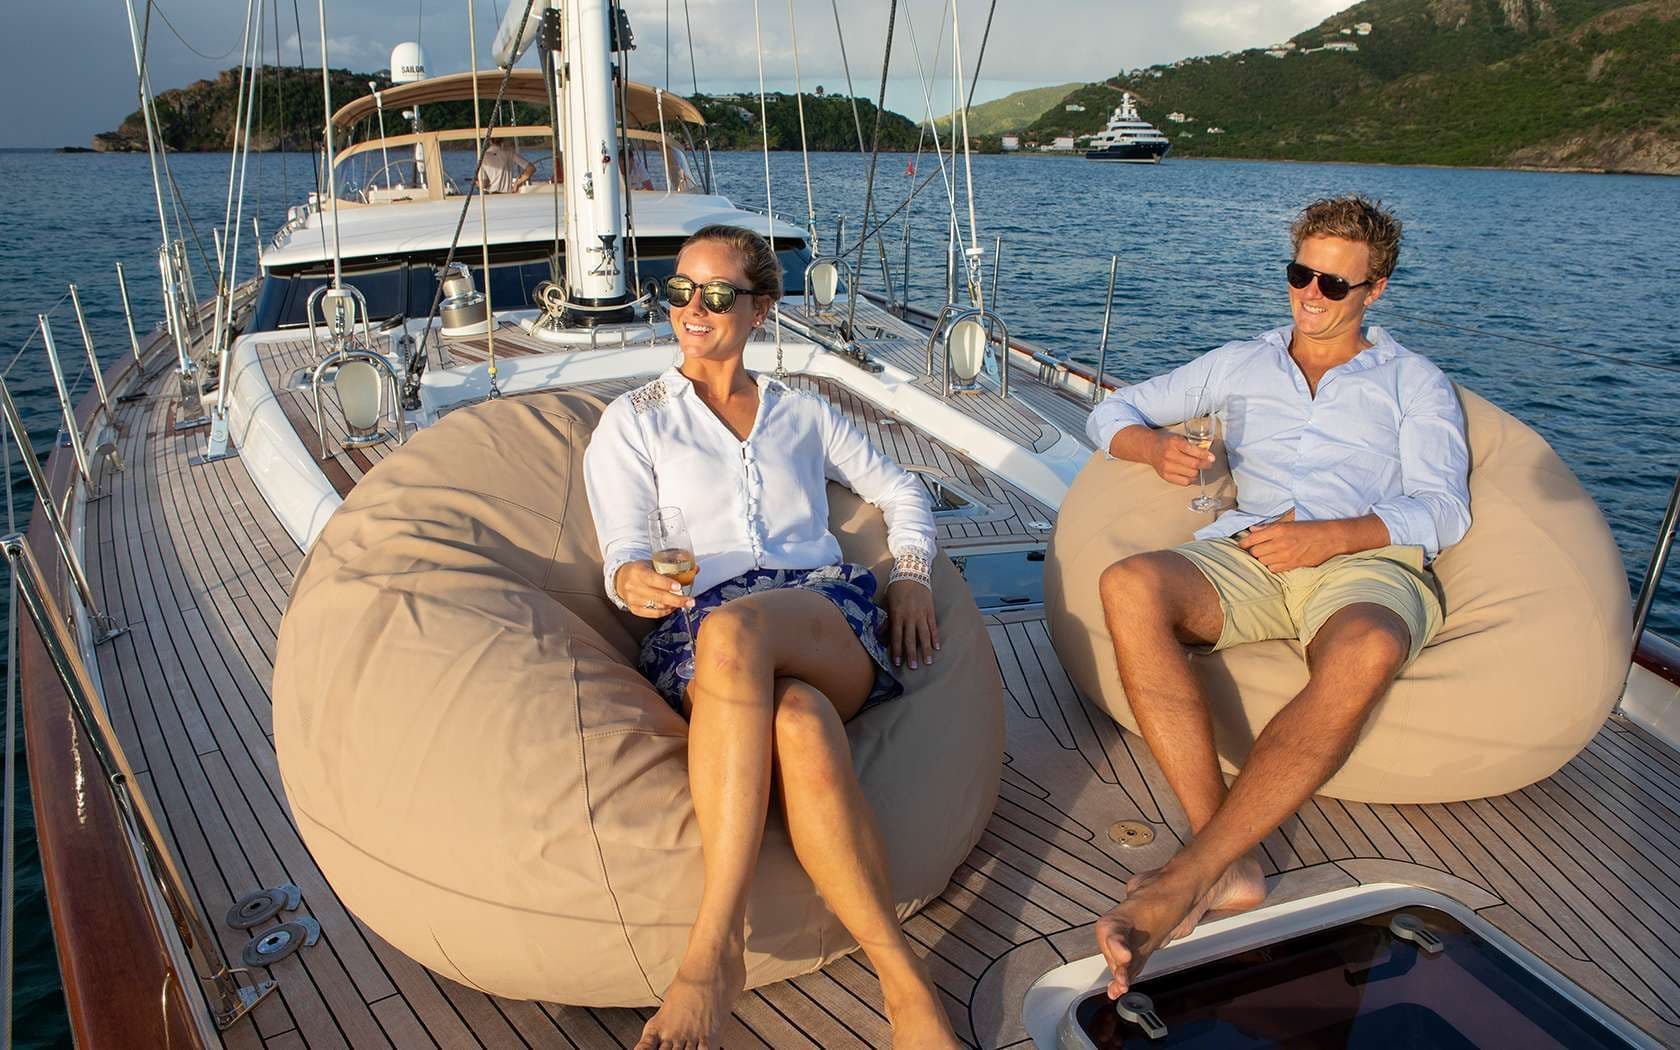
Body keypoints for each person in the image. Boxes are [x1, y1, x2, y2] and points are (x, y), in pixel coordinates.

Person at [583, 225, 960, 1050]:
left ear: (760, 309)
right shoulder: (634, 422)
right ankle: (905, 984)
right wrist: (631, 581)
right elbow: (622, 552)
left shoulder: (803, 413)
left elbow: (903, 492)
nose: (693, 308)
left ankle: (712, 949)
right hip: (701, 637)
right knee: (797, 723)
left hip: (821, 618)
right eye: (679, 290)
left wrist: (911, 575)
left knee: (735, 629)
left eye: (717, 294)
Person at [1086, 195, 1471, 999]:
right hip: (1254, 552)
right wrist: (1151, 449)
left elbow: (1445, 509)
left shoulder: (1414, 382)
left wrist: (1331, 537)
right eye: (1301, 274)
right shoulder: (1241, 362)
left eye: (1334, 284)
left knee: (1368, 646)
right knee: (1129, 584)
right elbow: (1111, 410)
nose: (1310, 296)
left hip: (1363, 560)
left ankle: (1188, 876)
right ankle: (1223, 860)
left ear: (1376, 289)